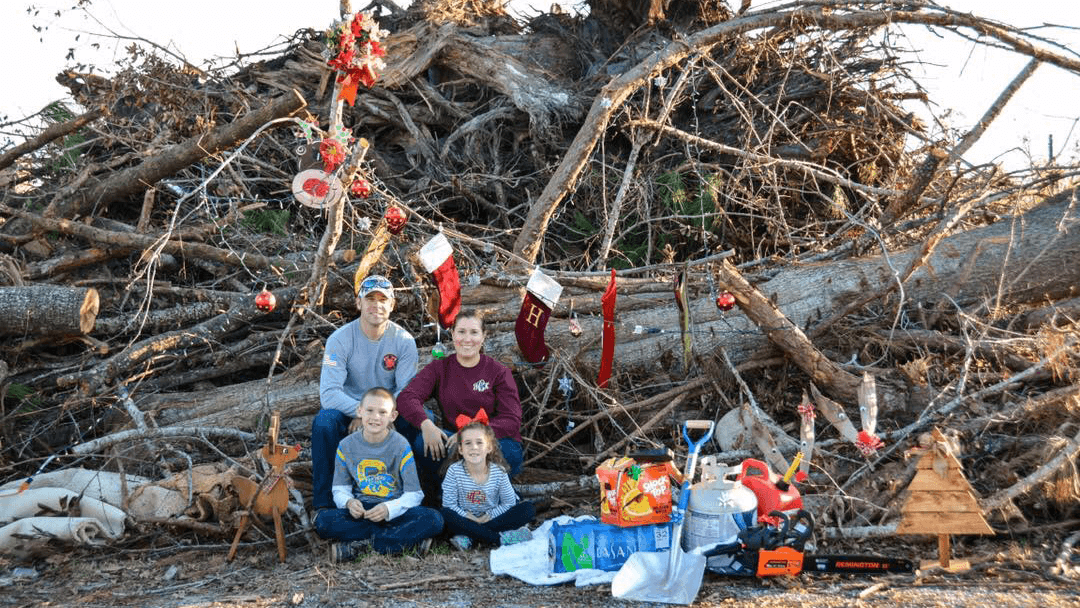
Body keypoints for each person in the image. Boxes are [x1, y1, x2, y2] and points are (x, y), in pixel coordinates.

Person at [311, 275, 418, 514]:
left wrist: (376, 415)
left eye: (383, 299)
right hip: (348, 410)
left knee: (418, 417)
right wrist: (362, 412)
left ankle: (415, 497)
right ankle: (325, 505)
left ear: (392, 305)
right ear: (358, 303)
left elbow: (406, 391)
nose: (376, 305)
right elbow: (329, 394)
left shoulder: (404, 342)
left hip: (387, 411)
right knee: (324, 423)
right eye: (370, 298)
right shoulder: (339, 340)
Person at [314, 388, 443, 561]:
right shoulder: (346, 445)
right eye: (369, 411)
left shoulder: (400, 445)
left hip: (394, 511)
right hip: (362, 511)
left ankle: (361, 547)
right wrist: (349, 502)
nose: (375, 417)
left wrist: (389, 509)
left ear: (393, 416)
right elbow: (340, 488)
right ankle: (402, 543)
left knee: (435, 519)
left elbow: (414, 494)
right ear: (359, 411)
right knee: (322, 522)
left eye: (383, 412)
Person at [396, 309, 524, 480]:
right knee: (423, 443)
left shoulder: (499, 372)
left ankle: (492, 491)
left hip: (493, 441)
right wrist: (426, 425)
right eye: (461, 332)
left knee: (509, 453)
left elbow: (511, 420)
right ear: (452, 334)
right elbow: (407, 397)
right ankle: (449, 490)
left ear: (483, 336)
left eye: (474, 332)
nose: (467, 339)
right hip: (455, 445)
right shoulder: (439, 369)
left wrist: (469, 435)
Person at [439, 419, 535, 549]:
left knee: (527, 509)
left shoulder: (499, 471)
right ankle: (500, 539)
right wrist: (469, 517)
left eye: (479, 442)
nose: (474, 447)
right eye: (468, 443)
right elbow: (449, 505)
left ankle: (470, 537)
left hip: (492, 517)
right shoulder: (454, 471)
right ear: (460, 449)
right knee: (446, 514)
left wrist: (489, 516)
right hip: (465, 519)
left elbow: (508, 503)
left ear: (489, 447)